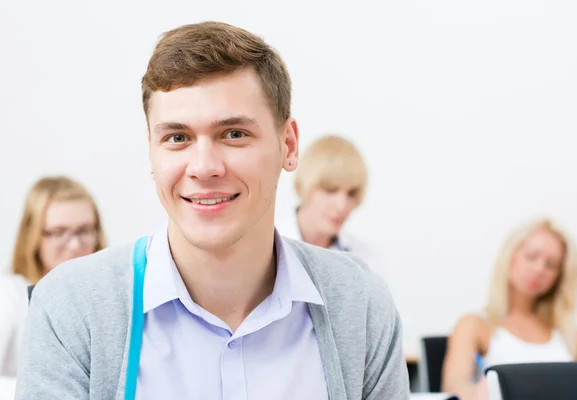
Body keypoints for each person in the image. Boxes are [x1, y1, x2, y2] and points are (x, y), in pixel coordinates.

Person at [16, 22, 409, 399]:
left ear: (288, 145)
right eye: (177, 138)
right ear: (152, 151)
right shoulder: (73, 309)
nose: (204, 167)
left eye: (234, 134)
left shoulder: (359, 304)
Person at [442, 217, 577, 400]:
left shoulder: (567, 332)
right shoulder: (474, 325)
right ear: (510, 256)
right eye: (531, 256)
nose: (540, 269)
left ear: (559, 278)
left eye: (551, 265)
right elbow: (455, 388)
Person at [0, 176, 106, 377]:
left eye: (84, 230)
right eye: (58, 232)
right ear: (33, 236)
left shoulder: (111, 298)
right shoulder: (9, 295)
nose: (75, 244)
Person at [277, 135, 375, 258]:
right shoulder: (267, 247)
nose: (341, 206)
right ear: (306, 186)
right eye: (331, 190)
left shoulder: (366, 258)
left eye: (351, 193)